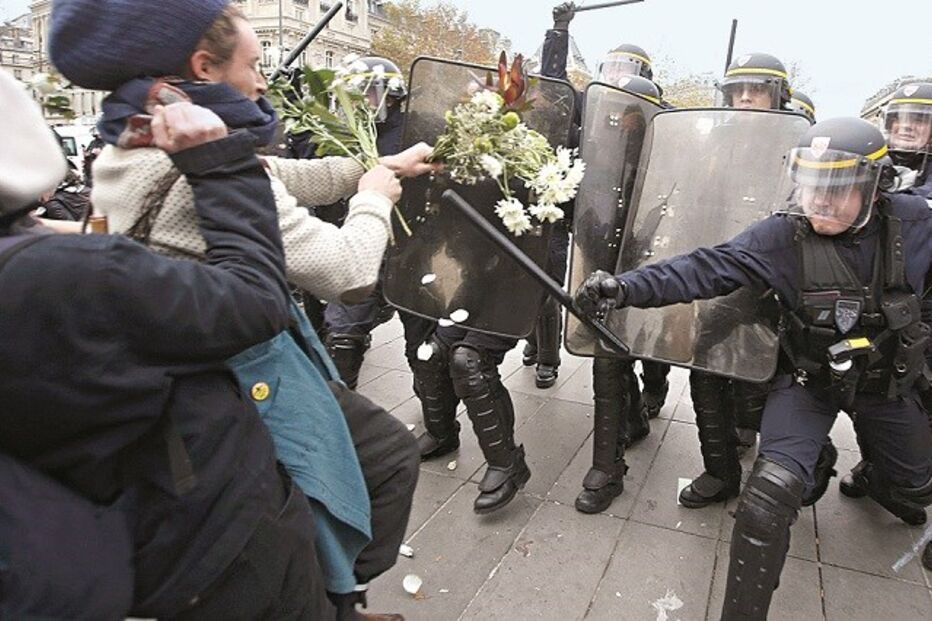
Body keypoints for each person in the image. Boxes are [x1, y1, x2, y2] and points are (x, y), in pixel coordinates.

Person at [50, 2, 433, 618]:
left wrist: (378, 166)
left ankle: (333, 593)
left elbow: (279, 174)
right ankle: (338, 602)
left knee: (353, 472)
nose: (262, 81)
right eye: (253, 65)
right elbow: (347, 273)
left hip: (207, 369)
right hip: (244, 373)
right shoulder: (190, 170)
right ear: (203, 67)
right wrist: (373, 201)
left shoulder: (138, 141)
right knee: (381, 462)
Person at [0, 64, 334, 617]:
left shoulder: (43, 260)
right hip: (210, 534)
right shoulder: (65, 275)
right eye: (252, 66)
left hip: (134, 533)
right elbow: (255, 302)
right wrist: (221, 168)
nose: (261, 80)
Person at [576, 117, 932, 619]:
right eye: (811, 187)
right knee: (768, 498)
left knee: (917, 486)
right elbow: (704, 267)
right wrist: (625, 287)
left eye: (837, 189)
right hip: (810, 382)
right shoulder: (781, 236)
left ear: (876, 189)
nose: (820, 201)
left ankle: (876, 474)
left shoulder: (918, 224)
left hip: (888, 383)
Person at [678, 52, 795, 510]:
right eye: (737, 90)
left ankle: (774, 480)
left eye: (757, 89)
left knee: (760, 386)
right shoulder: (715, 146)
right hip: (718, 274)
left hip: (772, 285)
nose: (745, 97)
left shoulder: (800, 145)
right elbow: (693, 200)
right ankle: (719, 471)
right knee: (704, 375)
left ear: (777, 94)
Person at [322, 56, 410, 389]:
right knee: (342, 336)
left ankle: (440, 432)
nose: (357, 103)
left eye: (364, 93)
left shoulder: (415, 128)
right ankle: (343, 427)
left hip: (409, 251)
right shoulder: (347, 135)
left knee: (425, 353)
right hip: (364, 243)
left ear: (390, 94)